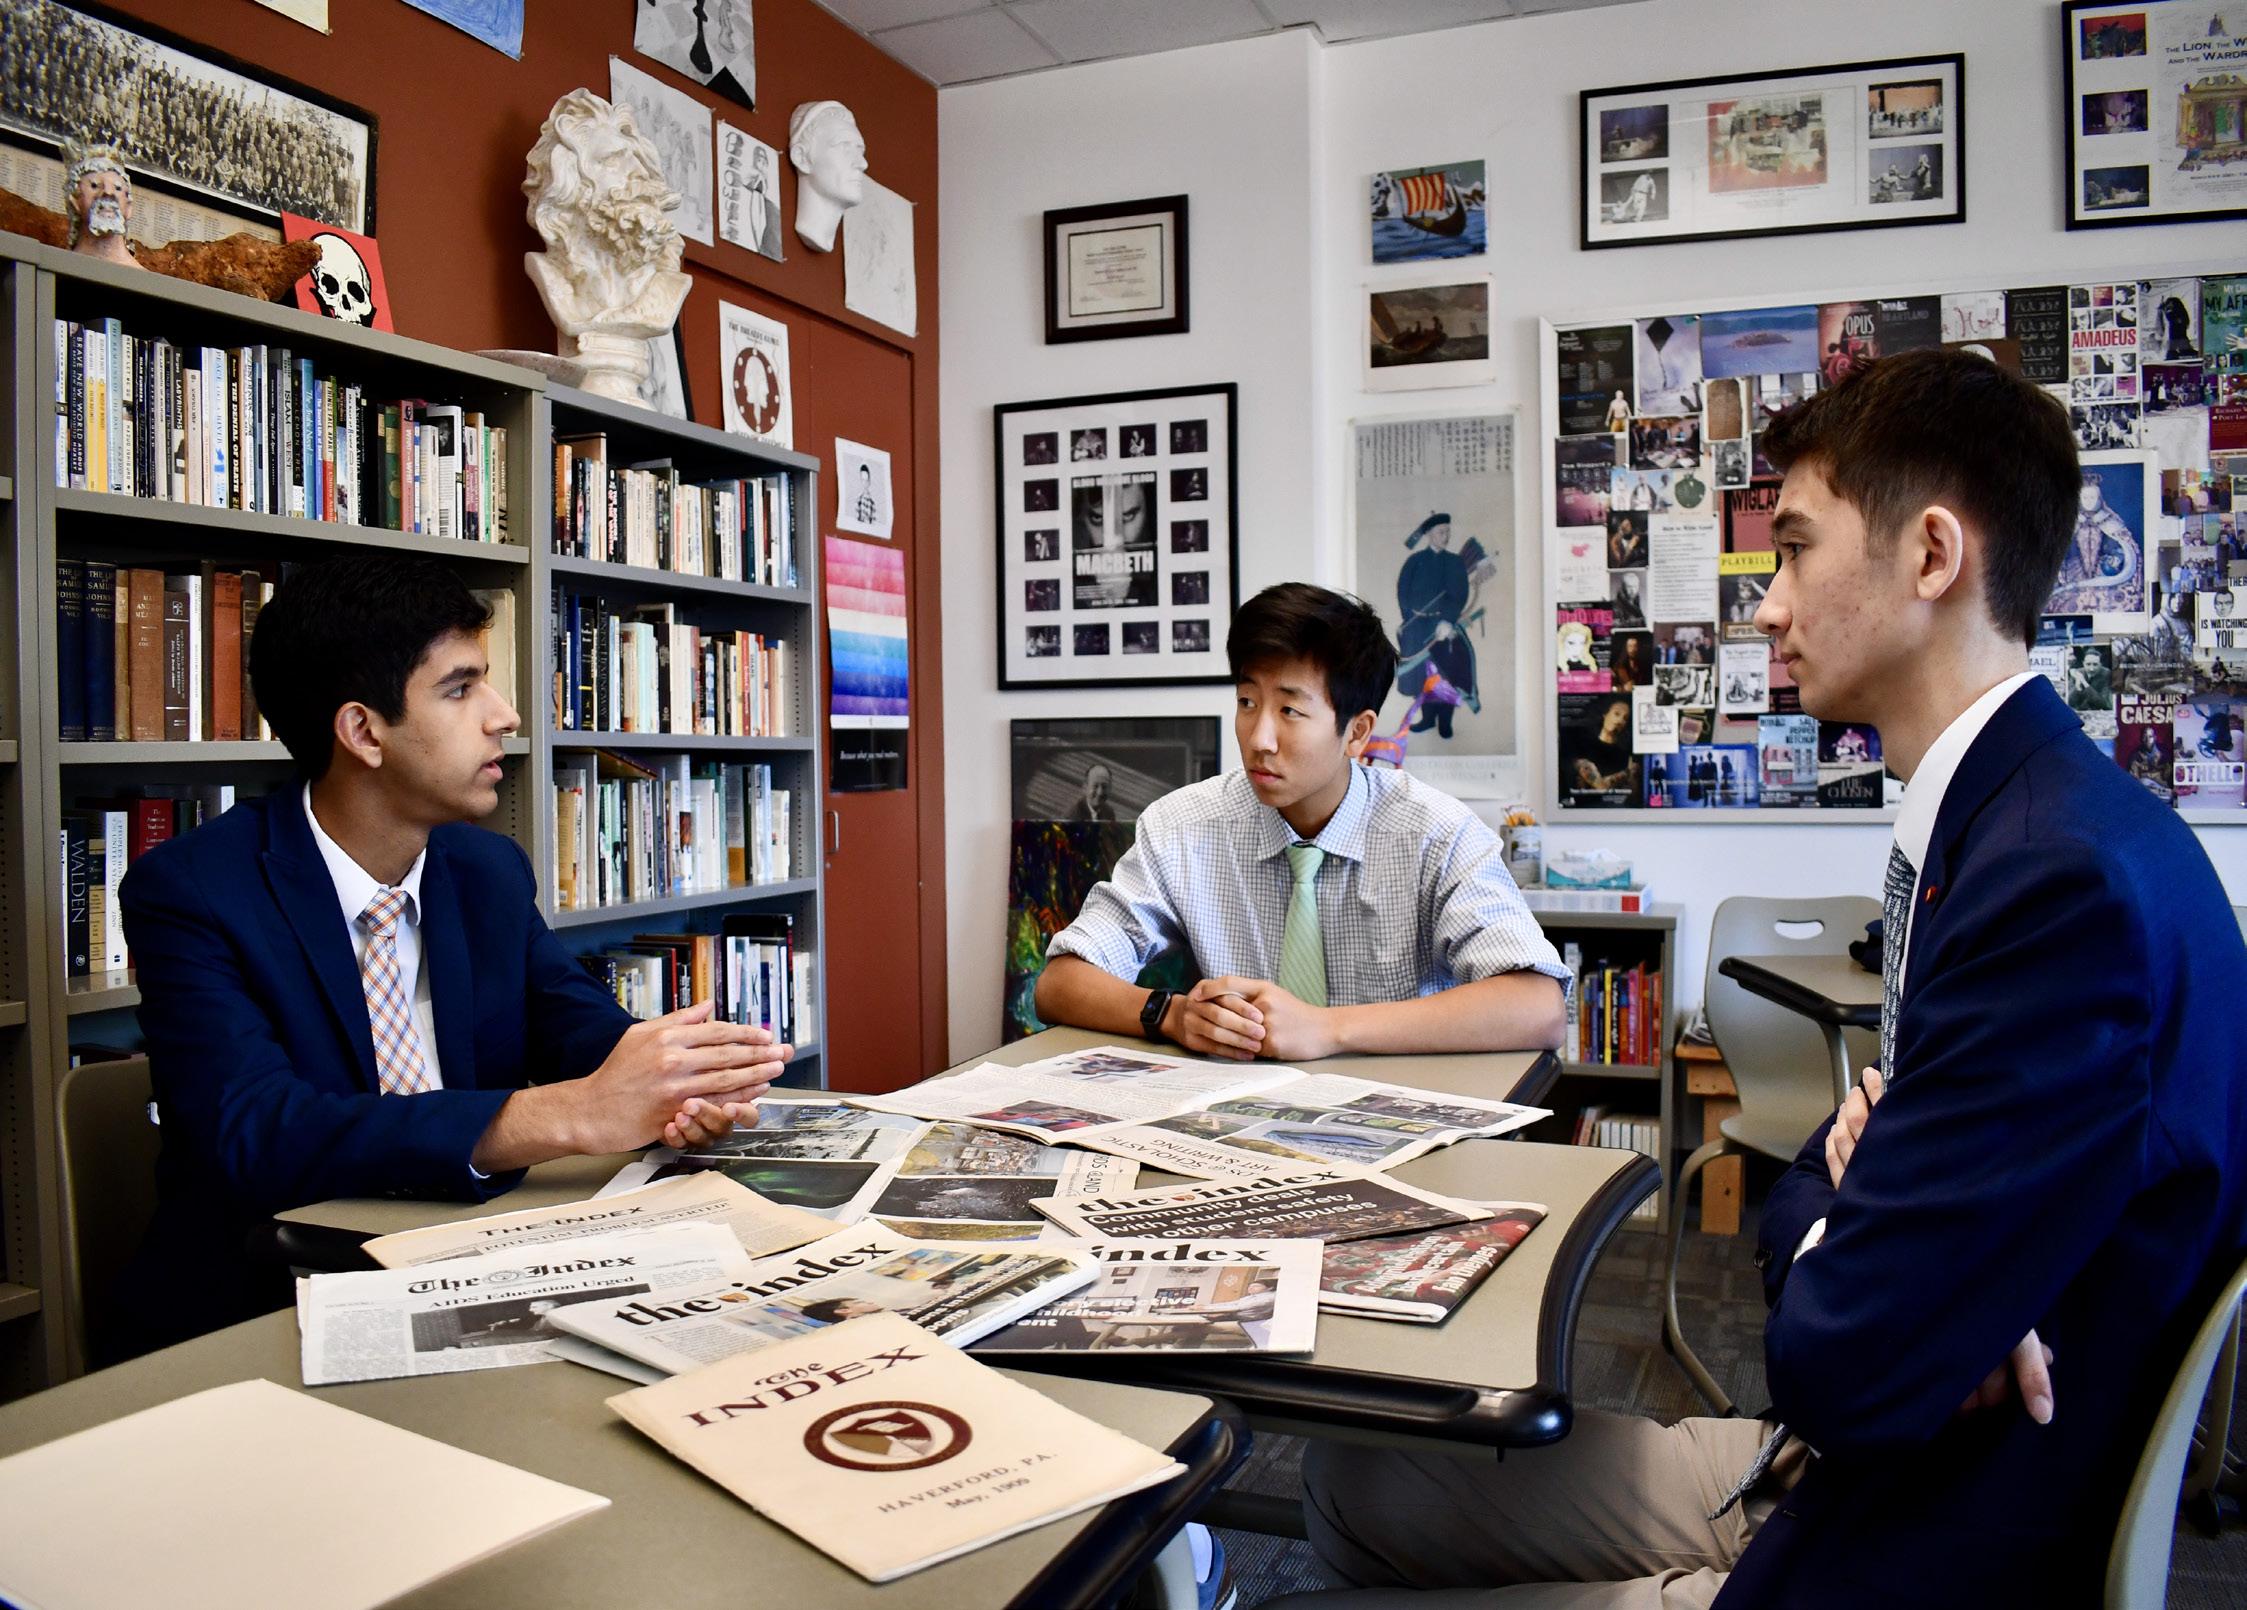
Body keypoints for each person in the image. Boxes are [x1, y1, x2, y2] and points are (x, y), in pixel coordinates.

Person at [1284, 348, 2247, 1609]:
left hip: (1899, 1539)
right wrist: (1911, 1258)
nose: (1770, 606)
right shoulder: (2028, 824)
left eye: (1794, 549)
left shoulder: (2057, 887)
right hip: (1851, 1459)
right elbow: (1816, 1182)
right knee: (1356, 1485)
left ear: (1932, 555)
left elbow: (1837, 1360)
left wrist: (1895, 1263)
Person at [118, 558, 789, 1354]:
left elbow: (575, 1025)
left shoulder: (484, 867)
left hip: (480, 1254)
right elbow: (256, 1131)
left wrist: (672, 1086)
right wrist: (568, 1113)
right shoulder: (194, 889)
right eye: (461, 688)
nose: (504, 715)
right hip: (267, 1301)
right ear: (363, 731)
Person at [1036, 583, 1567, 1064]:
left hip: (1400, 1110)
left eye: (1290, 711)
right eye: (1247, 702)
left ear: (1356, 733)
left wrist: (1328, 1029)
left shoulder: (1436, 832)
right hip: (1235, 1116)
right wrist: (1172, 1015)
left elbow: (1538, 1007)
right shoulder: (1184, 826)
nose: (1259, 738)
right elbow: (1059, 983)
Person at [1394, 513, 1494, 736]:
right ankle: (1428, 719)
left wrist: (1447, 621)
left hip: (1443, 626)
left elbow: (1459, 594)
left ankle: (1445, 722)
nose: (1446, 536)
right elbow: (1403, 591)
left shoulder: (1455, 562)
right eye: (1441, 532)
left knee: (1447, 675)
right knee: (1421, 676)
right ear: (1429, 534)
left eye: (1448, 532)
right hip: (1417, 627)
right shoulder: (1414, 561)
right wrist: (1408, 619)